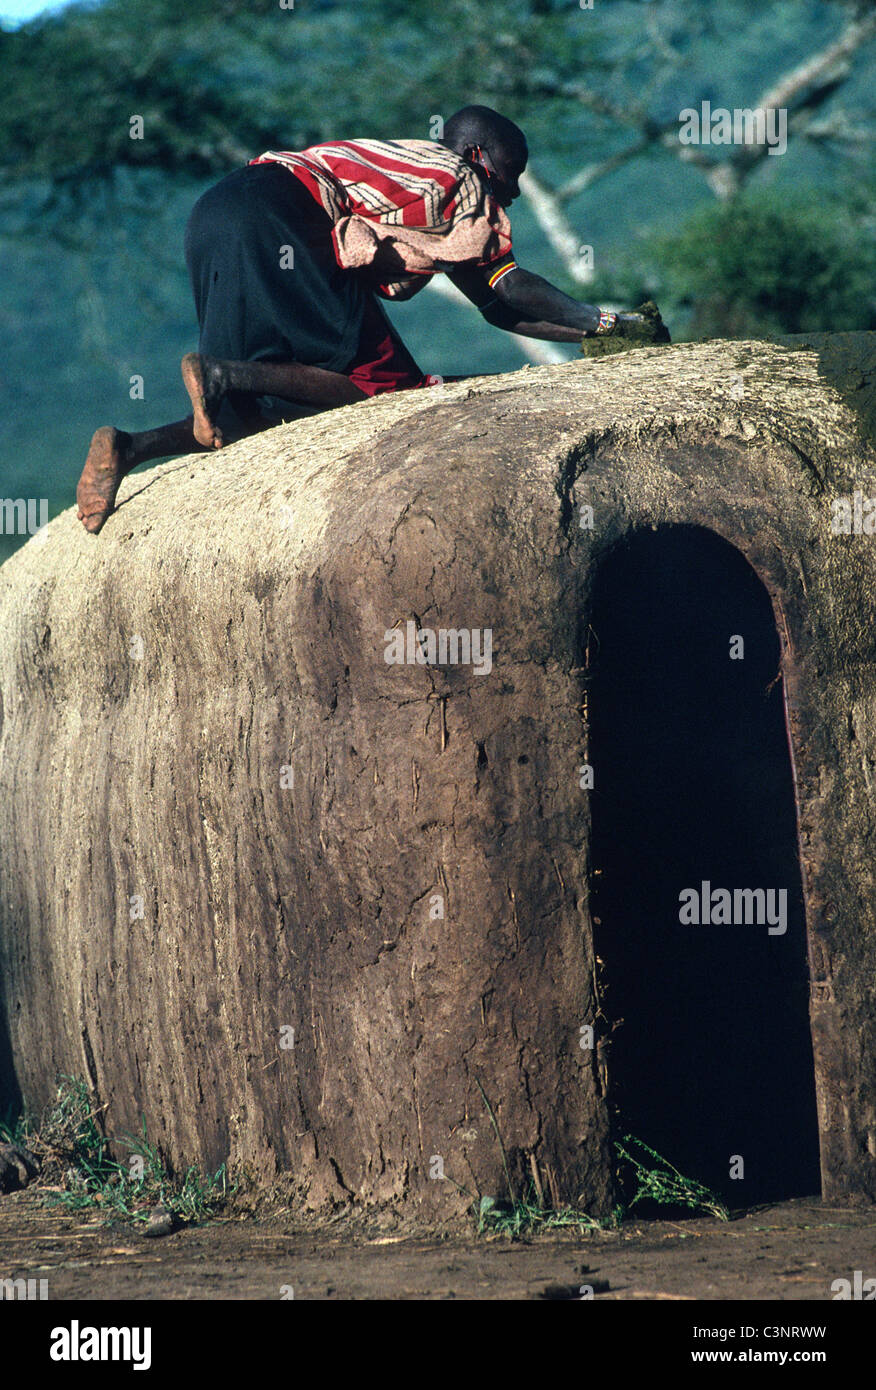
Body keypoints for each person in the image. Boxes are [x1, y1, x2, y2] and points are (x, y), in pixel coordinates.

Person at [76, 104, 668, 533]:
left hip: (216, 213)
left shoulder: (406, 178)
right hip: (284, 214)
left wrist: (588, 331)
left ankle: (130, 446)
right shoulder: (458, 179)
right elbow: (508, 285)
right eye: (511, 173)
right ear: (480, 157)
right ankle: (220, 374)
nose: (511, 192)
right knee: (384, 388)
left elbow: (497, 308)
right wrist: (608, 324)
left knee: (242, 418)